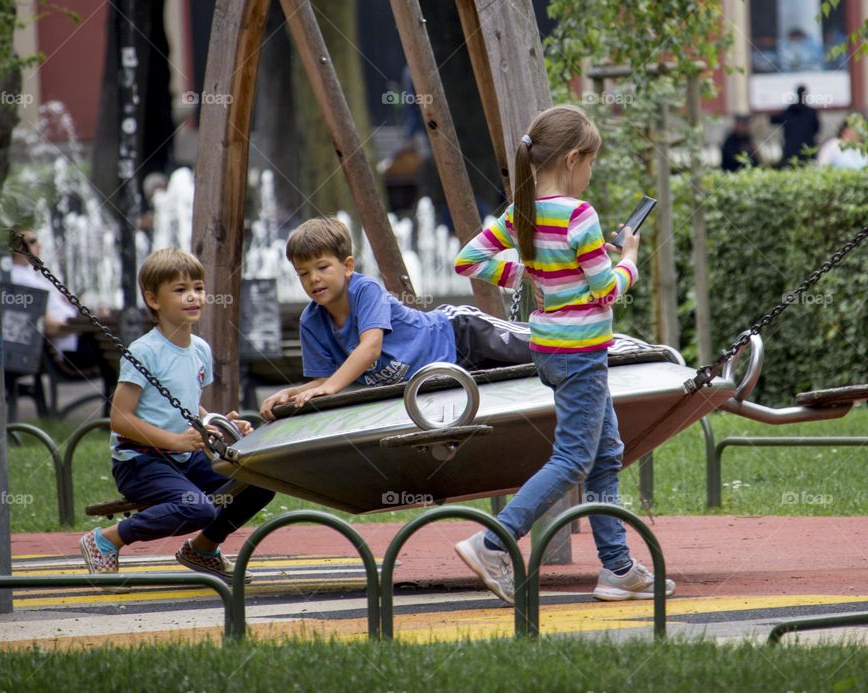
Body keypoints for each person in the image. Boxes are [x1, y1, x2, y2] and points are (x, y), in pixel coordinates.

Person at [451, 105, 677, 605]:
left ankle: (617, 567)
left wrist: (521, 275)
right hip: (581, 354)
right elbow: (605, 292)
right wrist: (632, 258)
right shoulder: (580, 215)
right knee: (575, 457)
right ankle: (493, 542)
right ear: (574, 158)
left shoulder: (522, 213)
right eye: (591, 162)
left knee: (605, 454)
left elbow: (467, 260)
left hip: (550, 350)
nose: (591, 172)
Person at [80, 248, 275, 588]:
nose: (193, 296)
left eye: (198, 288)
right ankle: (108, 539)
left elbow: (188, 405)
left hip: (184, 457)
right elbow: (120, 419)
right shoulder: (144, 351)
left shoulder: (199, 348)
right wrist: (174, 441)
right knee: (197, 509)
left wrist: (216, 424)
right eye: (180, 289)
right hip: (140, 461)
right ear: (153, 300)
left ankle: (203, 549)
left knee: (259, 483)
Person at [259, 217, 532, 420]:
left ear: (348, 267)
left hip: (462, 335)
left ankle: (573, 332)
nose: (313, 278)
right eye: (303, 273)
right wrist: (291, 394)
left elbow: (370, 348)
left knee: (541, 347)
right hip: (441, 375)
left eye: (322, 267)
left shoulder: (364, 290)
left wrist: (329, 387)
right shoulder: (312, 321)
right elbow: (323, 383)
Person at [770, 85, 820, 166]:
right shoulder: (810, 112)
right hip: (805, 152)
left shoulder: (789, 111)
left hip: (791, 152)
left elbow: (773, 120)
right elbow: (817, 129)